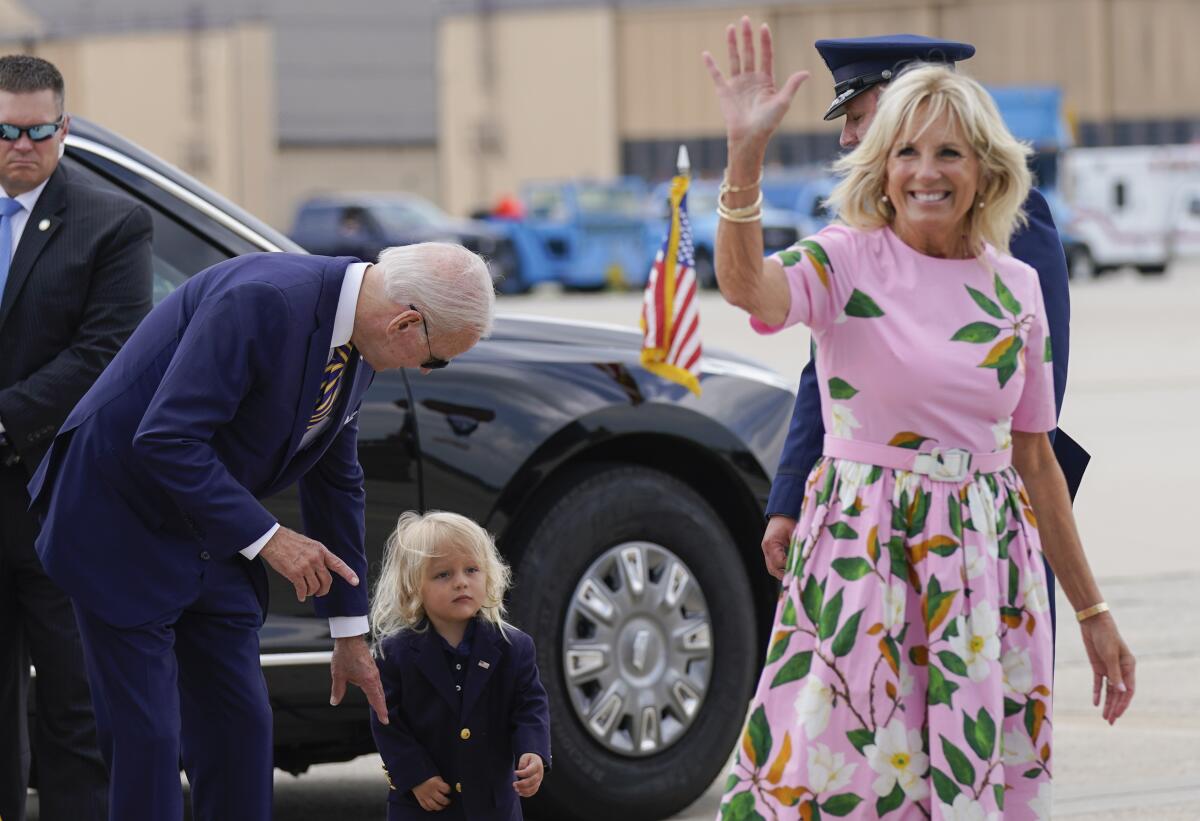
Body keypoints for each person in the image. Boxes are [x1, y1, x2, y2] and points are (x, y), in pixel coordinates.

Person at [704, 24, 1135, 818]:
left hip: (983, 568)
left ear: (986, 170)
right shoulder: (844, 257)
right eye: (905, 152)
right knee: (844, 777)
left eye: (948, 154)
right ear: (880, 165)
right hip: (864, 552)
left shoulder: (1016, 287)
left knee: (967, 785)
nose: (925, 172)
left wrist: (1092, 612)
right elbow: (747, 289)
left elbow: (1036, 459)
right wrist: (744, 156)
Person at [28, 242, 495, 820]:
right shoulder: (266, 299)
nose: (425, 372)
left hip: (214, 525)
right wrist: (271, 538)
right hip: (120, 521)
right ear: (406, 322)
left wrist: (348, 630)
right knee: (147, 740)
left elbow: (336, 480)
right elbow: (166, 439)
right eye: (437, 358)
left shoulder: (361, 339)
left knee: (240, 727)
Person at [753, 31, 1088, 643]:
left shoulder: (1015, 218)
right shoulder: (856, 234)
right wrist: (789, 496)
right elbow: (822, 375)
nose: (847, 136)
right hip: (874, 523)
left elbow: (1034, 399)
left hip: (977, 523)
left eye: (856, 116)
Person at [0, 55, 153, 821]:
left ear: (62, 127)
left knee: (71, 708)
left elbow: (104, 353)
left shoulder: (112, 222)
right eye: (4, 130)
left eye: (37, 130)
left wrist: (5, 417)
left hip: (59, 499)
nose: (20, 145)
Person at [369, 510, 551, 820]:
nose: (461, 583)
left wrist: (532, 751)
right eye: (443, 574)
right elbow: (387, 722)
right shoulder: (393, 654)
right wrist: (415, 775)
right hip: (424, 806)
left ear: (489, 575)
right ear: (413, 587)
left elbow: (530, 707)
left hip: (493, 807)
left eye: (471, 570)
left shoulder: (514, 647)